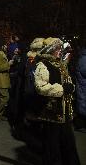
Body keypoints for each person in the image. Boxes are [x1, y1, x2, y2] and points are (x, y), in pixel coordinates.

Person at [34, 37, 80, 165]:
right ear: (51, 50)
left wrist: (71, 87)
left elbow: (67, 82)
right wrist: (62, 89)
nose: (60, 51)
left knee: (68, 145)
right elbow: (41, 87)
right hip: (52, 114)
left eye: (60, 48)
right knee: (52, 147)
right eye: (57, 49)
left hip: (65, 113)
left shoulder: (60, 64)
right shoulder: (43, 65)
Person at [75, 38, 86, 130]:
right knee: (82, 107)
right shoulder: (83, 58)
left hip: (83, 87)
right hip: (83, 87)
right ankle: (79, 125)